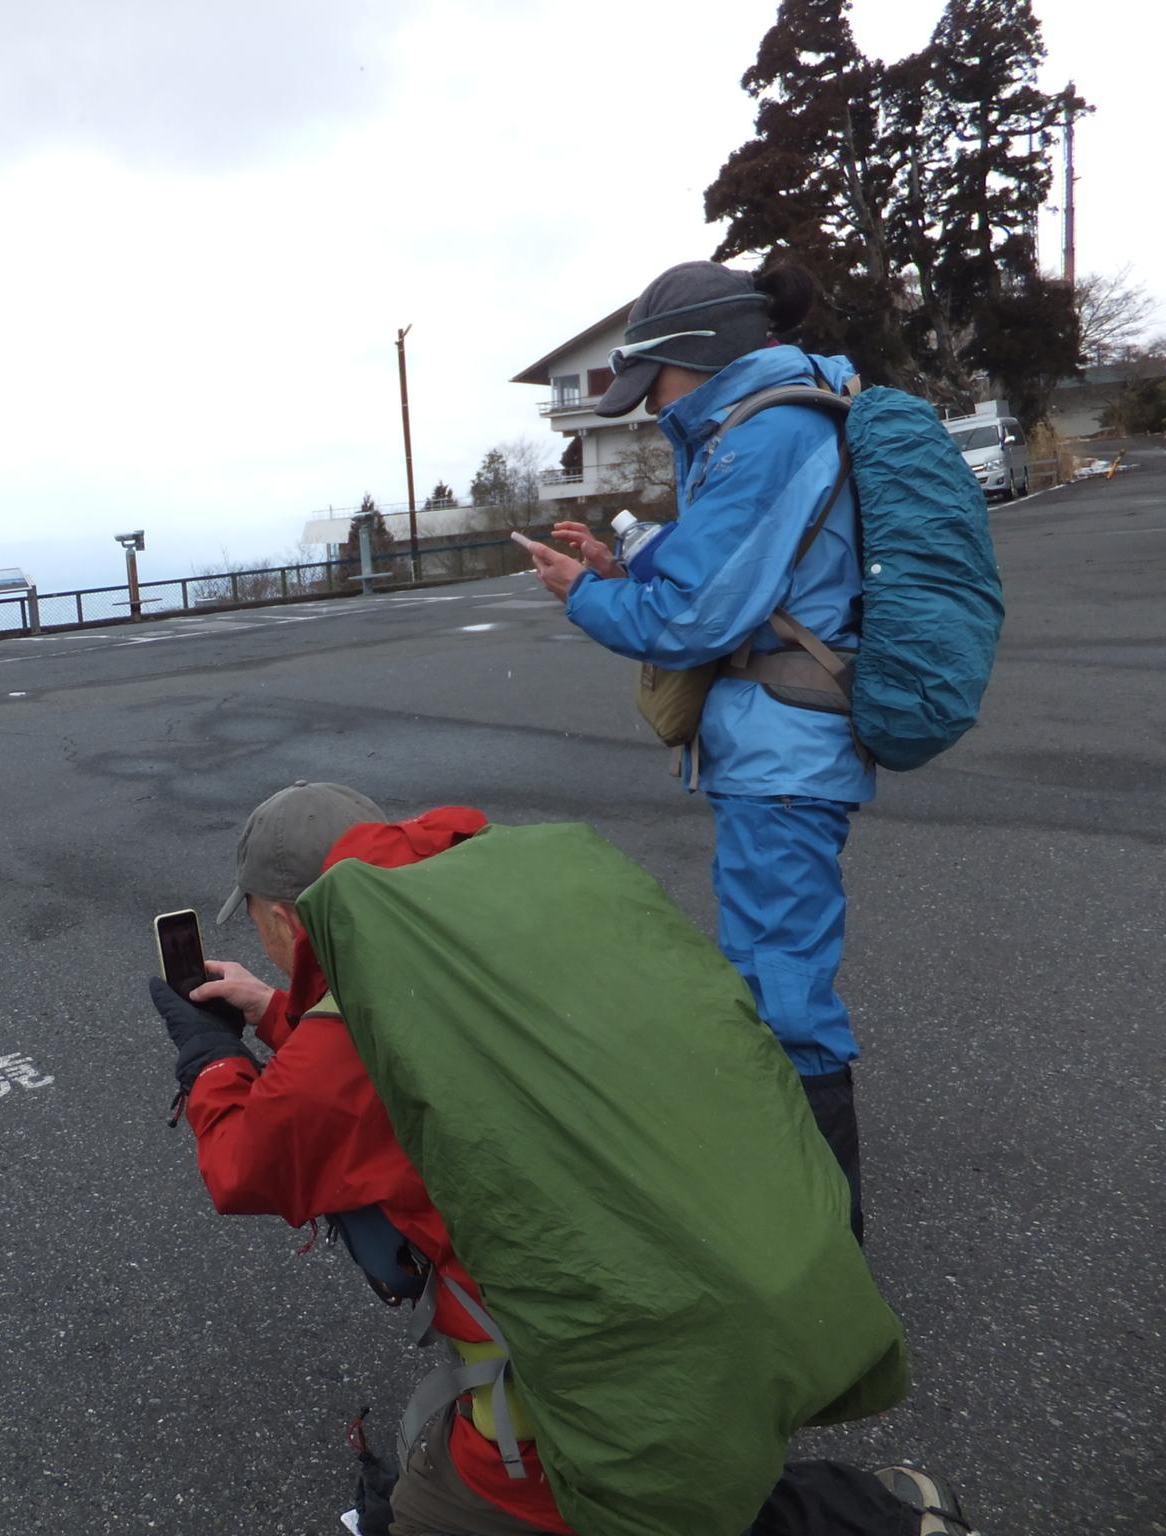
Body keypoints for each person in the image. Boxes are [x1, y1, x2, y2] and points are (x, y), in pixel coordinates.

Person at [147, 781, 973, 1536]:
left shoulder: (349, 1041)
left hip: (627, 1371)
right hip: (749, 1284)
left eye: (259, 921)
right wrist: (275, 1008)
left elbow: (246, 1162)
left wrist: (211, 1062)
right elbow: (396, 1058)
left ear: (287, 920)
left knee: (455, 1511)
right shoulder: (498, 927)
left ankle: (865, 1523)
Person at [523, 261, 871, 1240]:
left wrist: (583, 596)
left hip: (784, 752)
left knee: (783, 990)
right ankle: (791, 1216)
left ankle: (823, 1245)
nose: (650, 406)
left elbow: (689, 619)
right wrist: (617, 562)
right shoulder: (760, 423)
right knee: (766, 972)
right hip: (777, 746)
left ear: (699, 357)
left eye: (654, 383)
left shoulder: (767, 433)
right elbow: (722, 563)